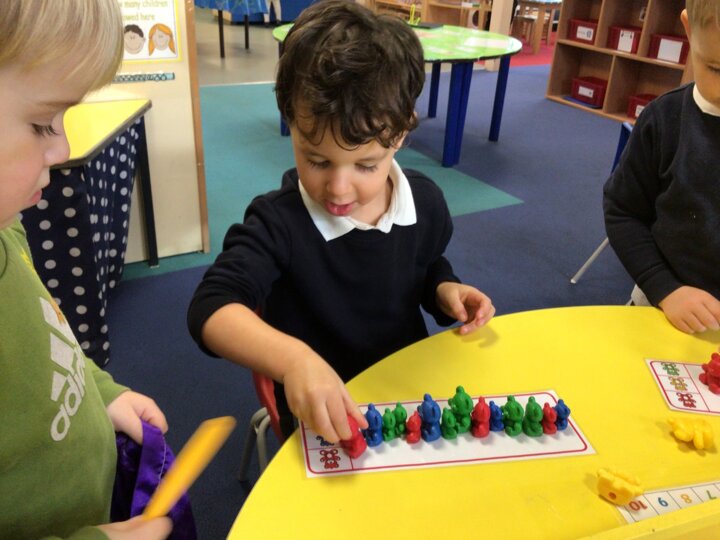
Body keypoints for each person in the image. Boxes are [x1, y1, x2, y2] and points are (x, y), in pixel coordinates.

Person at [187, 0, 495, 444]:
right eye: (317, 160)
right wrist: (294, 361)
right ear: (292, 123)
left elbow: (424, 265)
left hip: (406, 397)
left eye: (366, 166)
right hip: (324, 416)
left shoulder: (424, 203)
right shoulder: (278, 223)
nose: (338, 188)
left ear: (401, 133)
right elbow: (211, 307)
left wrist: (445, 289)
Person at [0, 1, 171, 538]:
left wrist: (101, 392)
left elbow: (51, 341)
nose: (64, 148)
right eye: (41, 124)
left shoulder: (8, 228)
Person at [603, 0, 720, 335]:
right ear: (689, 29)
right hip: (665, 310)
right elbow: (622, 212)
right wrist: (666, 288)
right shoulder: (665, 120)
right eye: (717, 69)